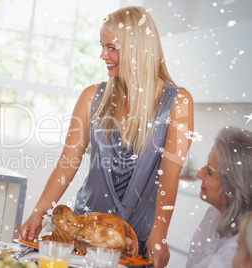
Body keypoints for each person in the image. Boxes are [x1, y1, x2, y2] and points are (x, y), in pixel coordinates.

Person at [20, 6, 193, 268]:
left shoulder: (178, 102)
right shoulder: (92, 97)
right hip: (84, 236)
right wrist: (38, 213)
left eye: (111, 47)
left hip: (135, 242)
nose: (103, 55)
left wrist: (160, 234)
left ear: (138, 50)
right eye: (102, 46)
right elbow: (68, 162)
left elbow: (169, 175)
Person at [186, 127, 252, 268]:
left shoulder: (237, 252)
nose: (199, 174)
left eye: (210, 172)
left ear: (233, 189)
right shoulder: (214, 214)